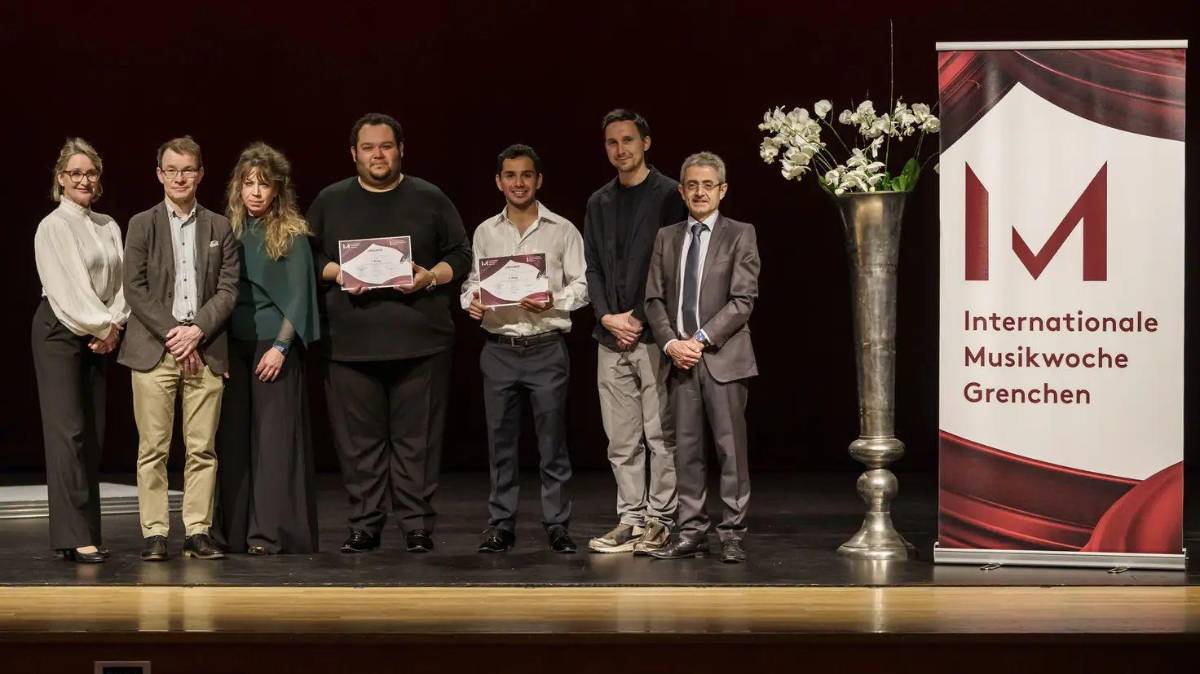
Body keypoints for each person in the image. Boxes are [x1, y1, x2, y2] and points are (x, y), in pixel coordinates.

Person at [308, 113, 471, 554]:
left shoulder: (429, 197)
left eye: (386, 146)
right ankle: (365, 524)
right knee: (359, 444)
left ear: (401, 149)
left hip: (422, 342)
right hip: (349, 345)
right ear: (354, 154)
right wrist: (338, 273)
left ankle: (416, 525)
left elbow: (461, 253)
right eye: (368, 148)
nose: (377, 155)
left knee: (416, 441)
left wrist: (430, 276)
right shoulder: (329, 200)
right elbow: (307, 254)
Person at [461, 144, 588, 554]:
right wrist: (471, 301)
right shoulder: (485, 231)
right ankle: (501, 523)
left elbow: (583, 286)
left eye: (526, 175)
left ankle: (557, 523)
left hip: (546, 347)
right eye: (510, 176)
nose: (519, 183)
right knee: (500, 444)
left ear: (539, 180)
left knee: (552, 443)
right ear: (499, 182)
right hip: (499, 348)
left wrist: (554, 299)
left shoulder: (562, 229)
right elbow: (469, 285)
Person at [120, 136, 239, 562]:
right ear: (159, 175)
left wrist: (197, 331)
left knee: (201, 447)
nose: (179, 177)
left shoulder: (220, 226)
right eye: (171, 170)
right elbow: (133, 288)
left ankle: (197, 531)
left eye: (187, 169)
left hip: (205, 349)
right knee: (152, 447)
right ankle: (154, 532)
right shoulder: (141, 224)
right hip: (155, 349)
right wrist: (177, 332)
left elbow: (228, 290)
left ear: (201, 174)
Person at [643, 152, 759, 564]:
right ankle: (691, 531)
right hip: (680, 360)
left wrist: (701, 339)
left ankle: (732, 532)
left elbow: (743, 300)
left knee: (731, 451)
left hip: (723, 359)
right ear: (681, 190)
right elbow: (653, 300)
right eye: (692, 185)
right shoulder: (667, 237)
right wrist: (673, 344)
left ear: (722, 190)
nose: (700, 192)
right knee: (686, 452)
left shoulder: (740, 234)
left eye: (708, 185)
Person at [583, 110, 687, 555]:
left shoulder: (668, 195)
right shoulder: (598, 201)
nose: (620, 150)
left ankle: (661, 518)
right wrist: (607, 316)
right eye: (612, 142)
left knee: (659, 433)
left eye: (628, 140)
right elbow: (592, 266)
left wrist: (641, 318)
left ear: (646, 142)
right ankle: (631, 517)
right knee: (621, 438)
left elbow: (673, 266)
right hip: (610, 336)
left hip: (652, 334)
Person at [213, 143, 320, 555]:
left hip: (274, 347)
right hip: (233, 347)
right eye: (249, 183)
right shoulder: (227, 231)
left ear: (278, 189)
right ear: (238, 187)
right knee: (236, 443)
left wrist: (280, 347)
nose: (256, 192)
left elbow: (299, 297)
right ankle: (235, 533)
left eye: (264, 184)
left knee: (274, 443)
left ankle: (271, 534)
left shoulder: (290, 233)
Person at [32, 138, 130, 564]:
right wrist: (103, 326)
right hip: (60, 331)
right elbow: (67, 288)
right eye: (75, 173)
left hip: (98, 331)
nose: (84, 180)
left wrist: (115, 323)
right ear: (61, 179)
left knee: (92, 434)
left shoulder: (109, 224)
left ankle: (87, 531)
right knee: (67, 433)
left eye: (90, 173)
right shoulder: (53, 226)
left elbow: (124, 283)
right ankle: (72, 536)